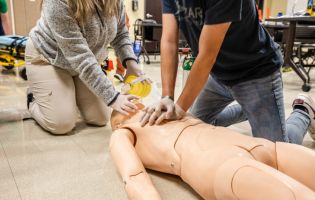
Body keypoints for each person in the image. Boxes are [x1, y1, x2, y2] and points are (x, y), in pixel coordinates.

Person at [140, 0, 315, 144]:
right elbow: (169, 41)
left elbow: (207, 55)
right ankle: (250, 109)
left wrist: (179, 107)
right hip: (217, 74)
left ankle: (303, 111)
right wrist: (167, 97)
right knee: (194, 123)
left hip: (255, 73)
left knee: (277, 154)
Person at [110, 103, 315, 200]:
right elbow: (134, 176)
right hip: (222, 164)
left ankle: (304, 110)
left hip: (262, 147)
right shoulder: (125, 132)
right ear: (117, 123)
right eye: (127, 104)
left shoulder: (168, 112)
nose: (134, 101)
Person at [25, 0, 145, 134]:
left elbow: (120, 33)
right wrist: (114, 97)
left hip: (85, 62)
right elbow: (80, 57)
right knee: (61, 124)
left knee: (100, 118)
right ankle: (33, 98)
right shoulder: (56, 2)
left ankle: (67, 94)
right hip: (48, 58)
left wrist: (131, 63)